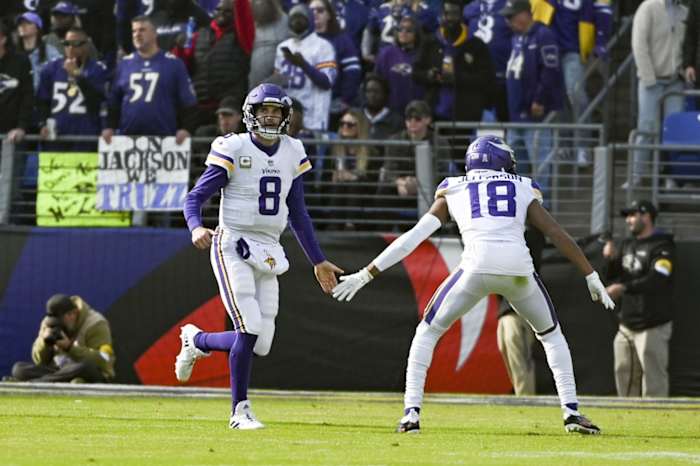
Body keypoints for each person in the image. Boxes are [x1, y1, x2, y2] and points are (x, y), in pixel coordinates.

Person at [332, 135, 614, 434]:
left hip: (476, 267)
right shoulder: (521, 185)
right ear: (502, 160)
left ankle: (411, 414)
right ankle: (571, 412)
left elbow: (413, 238)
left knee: (427, 332)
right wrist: (591, 275)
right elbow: (556, 233)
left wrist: (366, 273)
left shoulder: (453, 187)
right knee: (551, 336)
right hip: (518, 269)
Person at [177, 83, 343, 429]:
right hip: (233, 242)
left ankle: (196, 340)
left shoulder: (292, 150)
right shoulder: (233, 147)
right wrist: (195, 227)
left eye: (277, 111)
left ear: (286, 117)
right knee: (248, 327)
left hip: (269, 247)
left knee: (261, 342)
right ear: (250, 113)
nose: (270, 116)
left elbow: (298, 213)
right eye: (264, 109)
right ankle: (240, 411)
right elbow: (194, 198)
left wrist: (318, 259)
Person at [603, 200, 675, 397]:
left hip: (653, 323)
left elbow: (658, 278)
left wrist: (624, 288)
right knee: (623, 372)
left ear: (647, 216)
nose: (628, 220)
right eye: (627, 216)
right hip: (627, 323)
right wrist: (610, 259)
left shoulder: (663, 246)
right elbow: (613, 276)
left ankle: (658, 421)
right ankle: (627, 420)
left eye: (632, 215)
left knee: (653, 378)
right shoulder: (627, 244)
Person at [502, 0, 564, 199]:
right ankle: (522, 205)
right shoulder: (516, 38)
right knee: (515, 165)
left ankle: (542, 206)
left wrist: (540, 99)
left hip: (536, 114)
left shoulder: (544, 35)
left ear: (525, 14)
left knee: (541, 162)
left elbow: (550, 71)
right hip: (515, 114)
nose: (509, 21)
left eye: (512, 16)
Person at [103, 15, 197, 144]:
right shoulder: (124, 65)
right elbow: (114, 102)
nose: (137, 34)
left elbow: (189, 102)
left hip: (165, 139)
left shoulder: (174, 64)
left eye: (142, 30)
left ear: (154, 33)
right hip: (129, 140)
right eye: (134, 31)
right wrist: (109, 127)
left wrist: (186, 129)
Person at [628, 0, 686, 188]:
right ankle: (636, 176)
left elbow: (685, 45)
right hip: (651, 81)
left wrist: (683, 71)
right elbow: (639, 43)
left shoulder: (684, 11)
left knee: (674, 131)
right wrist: (648, 77)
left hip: (676, 82)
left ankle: (672, 176)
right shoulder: (648, 7)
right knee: (646, 128)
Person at [173, 0, 251, 131]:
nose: (222, 14)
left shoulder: (241, 36)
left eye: (227, 11)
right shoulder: (199, 35)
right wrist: (179, 49)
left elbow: (244, 15)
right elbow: (184, 65)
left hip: (229, 103)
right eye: (218, 10)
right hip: (201, 102)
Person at [413, 0, 495, 122]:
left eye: (454, 13)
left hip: (466, 115)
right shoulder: (430, 42)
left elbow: (486, 78)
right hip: (434, 113)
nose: (450, 18)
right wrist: (429, 75)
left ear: (462, 15)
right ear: (441, 15)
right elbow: (415, 72)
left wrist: (457, 78)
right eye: (446, 13)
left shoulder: (476, 45)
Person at [11, 294, 115, 383]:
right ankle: (48, 383)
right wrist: (45, 343)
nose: (57, 324)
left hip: (88, 373)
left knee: (84, 368)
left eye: (60, 320)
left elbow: (105, 361)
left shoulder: (96, 324)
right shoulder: (48, 323)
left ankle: (33, 384)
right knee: (19, 369)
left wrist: (69, 347)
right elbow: (38, 361)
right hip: (60, 372)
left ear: (72, 314)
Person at [37, 27, 109, 151]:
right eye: (66, 43)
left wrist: (77, 75)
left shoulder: (97, 70)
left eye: (75, 44)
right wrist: (43, 124)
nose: (70, 48)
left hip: (85, 140)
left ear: (86, 45)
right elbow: (42, 102)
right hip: (56, 141)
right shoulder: (50, 69)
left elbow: (97, 102)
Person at [272, 4, 337, 131]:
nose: (296, 21)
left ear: (310, 20)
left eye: (301, 18)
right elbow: (278, 83)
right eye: (293, 18)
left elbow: (327, 82)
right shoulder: (282, 47)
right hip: (287, 118)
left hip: (314, 119)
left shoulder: (324, 46)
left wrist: (303, 65)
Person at [497, 226, 545, 396]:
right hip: (505, 309)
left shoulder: (532, 234)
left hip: (520, 308)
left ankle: (526, 403)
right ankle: (521, 398)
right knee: (509, 355)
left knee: (521, 361)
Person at [310, 0, 362, 123]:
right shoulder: (300, 40)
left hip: (333, 106)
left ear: (329, 15)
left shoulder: (342, 40)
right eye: (311, 11)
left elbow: (352, 72)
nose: (315, 14)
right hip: (307, 105)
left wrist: (344, 100)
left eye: (320, 10)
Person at [374, 14, 425, 115]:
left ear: (417, 33)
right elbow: (377, 82)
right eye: (400, 29)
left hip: (417, 113)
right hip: (390, 111)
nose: (403, 32)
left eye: (409, 30)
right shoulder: (386, 53)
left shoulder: (424, 54)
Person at [0, 21, 33, 144]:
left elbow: (27, 96)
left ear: (3, 39)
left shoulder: (21, 61)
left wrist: (21, 127)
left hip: (12, 133)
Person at [15, 12, 62, 93]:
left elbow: (61, 76)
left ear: (37, 28)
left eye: (28, 23)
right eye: (20, 24)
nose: (23, 26)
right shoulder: (13, 54)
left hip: (44, 101)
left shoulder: (50, 52)